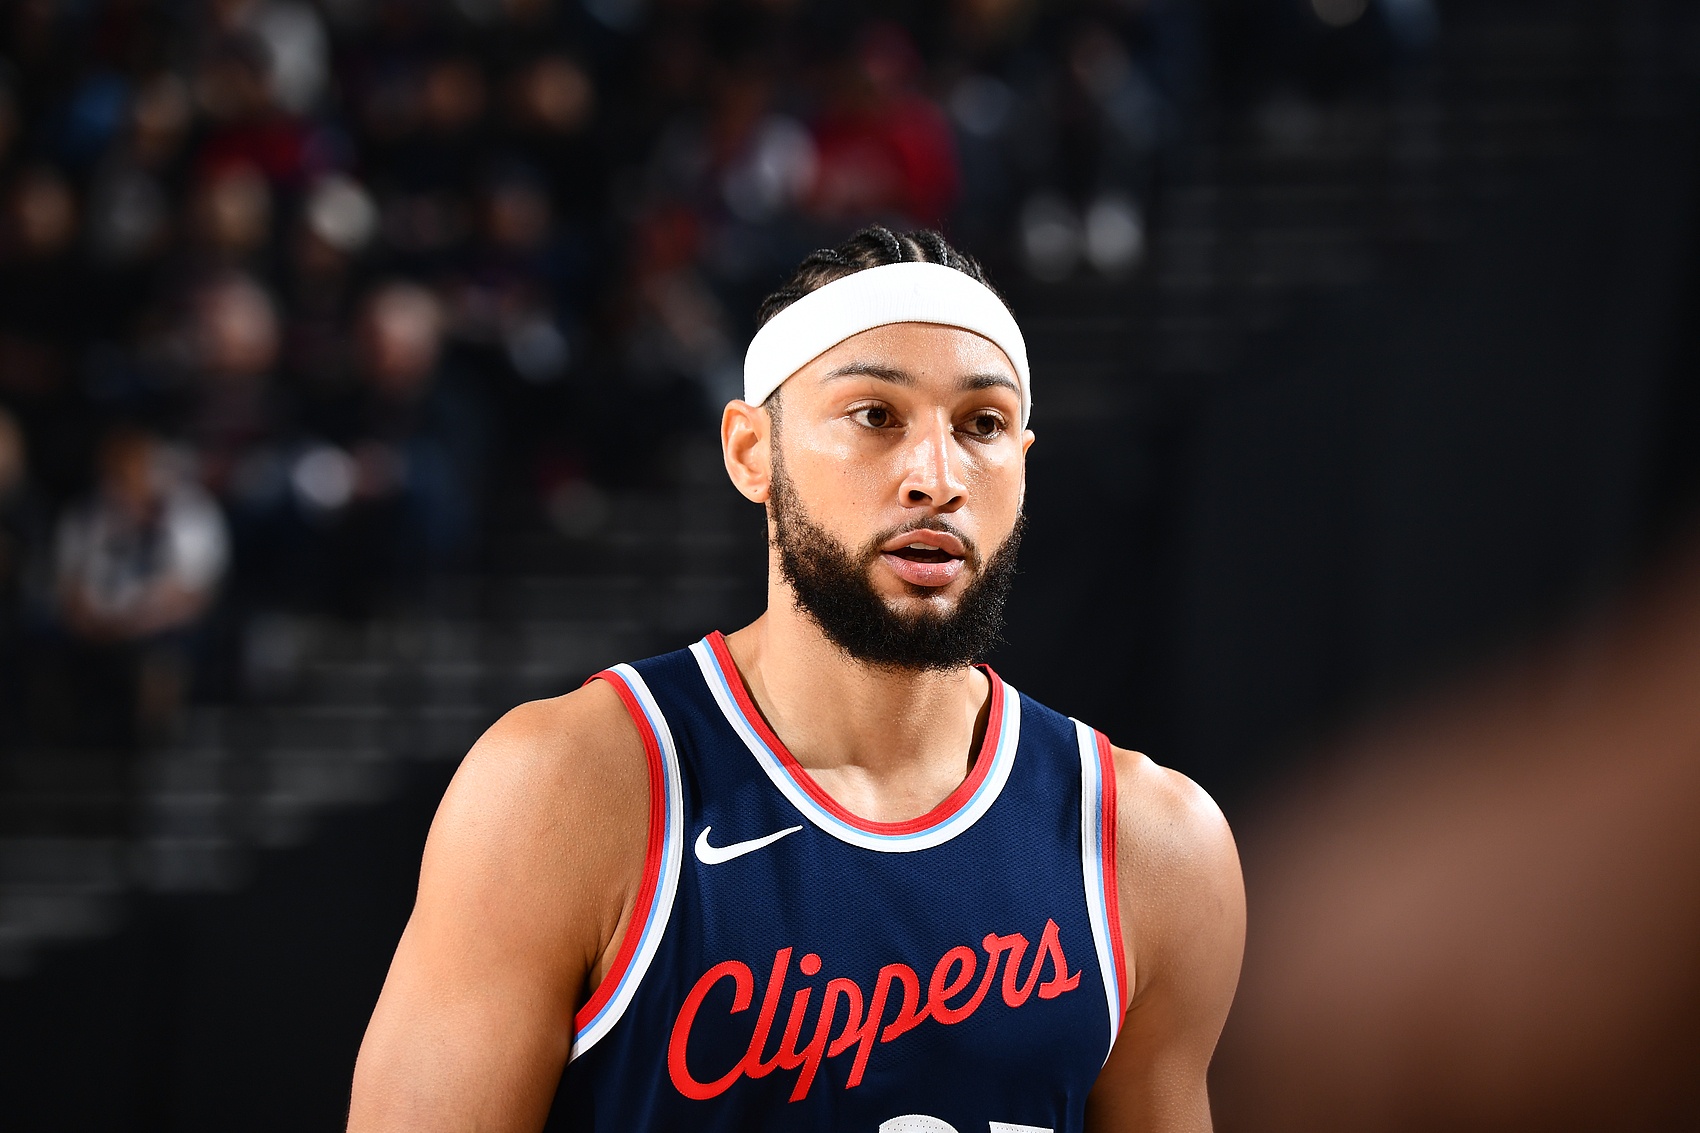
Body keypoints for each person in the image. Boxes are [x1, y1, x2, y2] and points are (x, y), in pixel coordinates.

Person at [348, 227, 1245, 1132]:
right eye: (875, 415)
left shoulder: (1151, 845)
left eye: (982, 425)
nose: (937, 477)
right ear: (752, 452)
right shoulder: (564, 788)